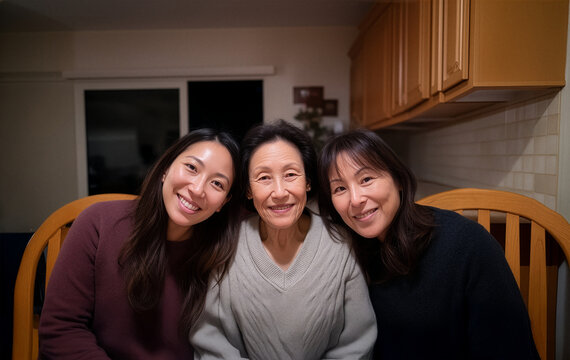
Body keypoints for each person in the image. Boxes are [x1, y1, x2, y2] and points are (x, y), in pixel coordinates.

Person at [317, 128, 539, 359]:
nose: (355, 199)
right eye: (340, 188)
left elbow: (509, 347)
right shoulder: (346, 254)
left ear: (398, 180)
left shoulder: (467, 244)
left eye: (367, 179)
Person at [39, 128, 240, 359]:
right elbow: (60, 329)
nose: (197, 189)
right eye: (192, 168)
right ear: (165, 169)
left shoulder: (221, 255)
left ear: (223, 203)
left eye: (217, 184)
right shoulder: (98, 223)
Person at [190, 120, 377, 360]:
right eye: (264, 178)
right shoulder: (227, 243)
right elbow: (211, 340)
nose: (279, 192)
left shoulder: (340, 243)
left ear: (308, 182)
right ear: (248, 189)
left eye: (290, 175)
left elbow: (356, 343)